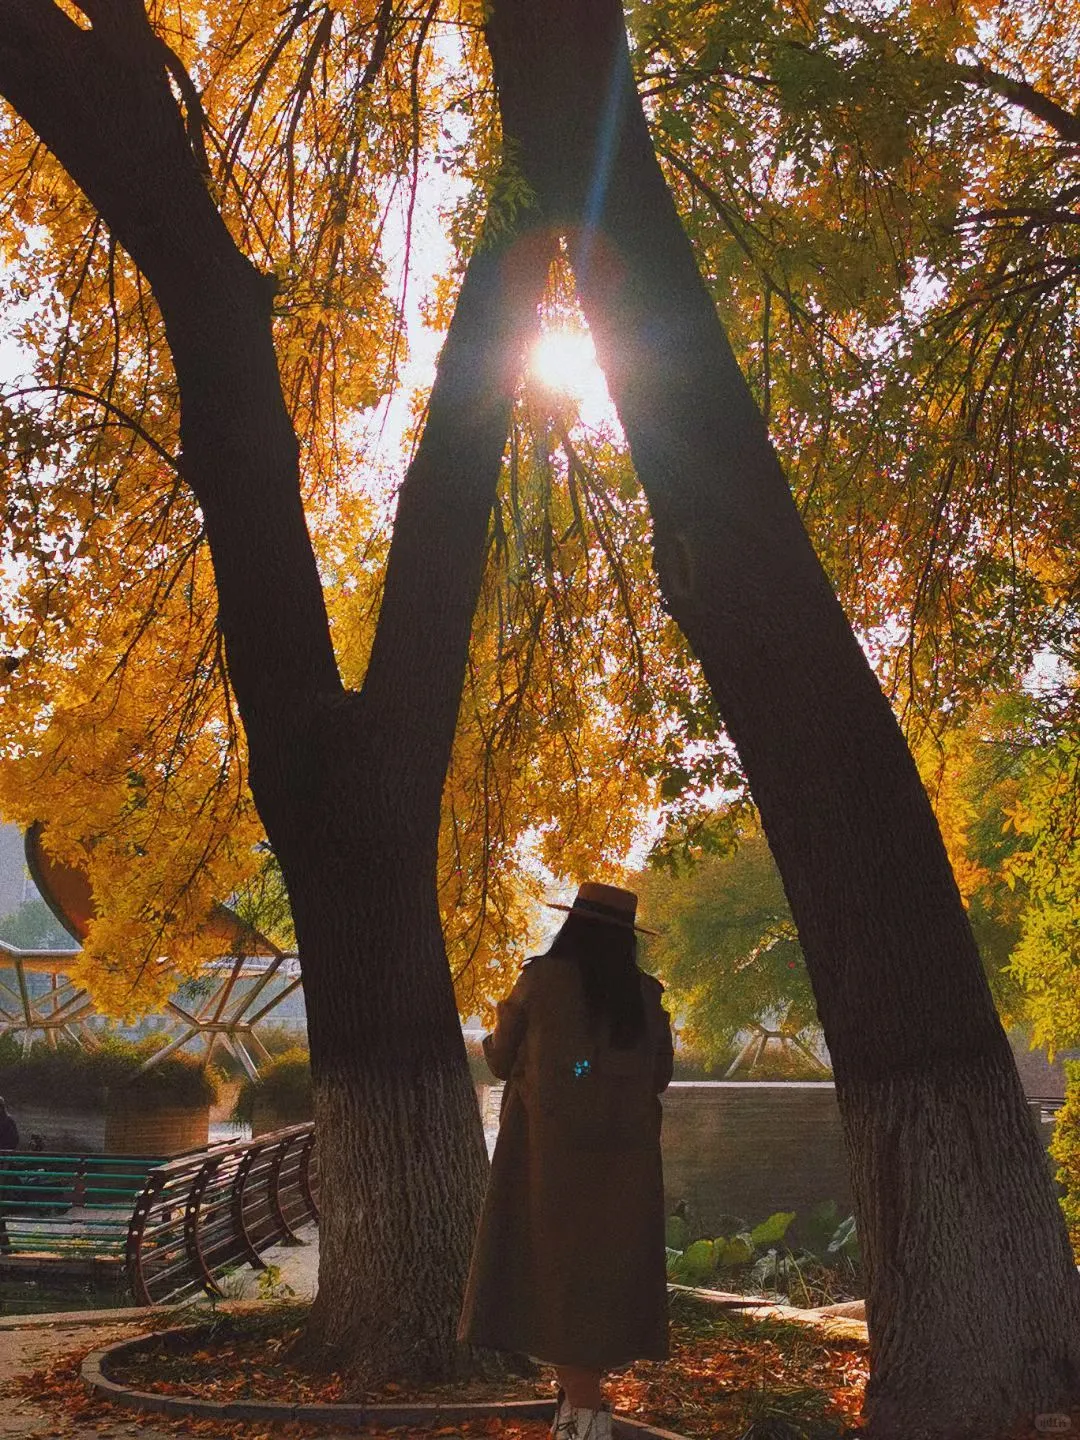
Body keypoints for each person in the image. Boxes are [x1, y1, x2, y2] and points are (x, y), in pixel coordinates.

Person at [458, 882, 674, 1440]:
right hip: (622, 1169)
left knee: (550, 1279)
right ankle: (576, 1416)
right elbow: (660, 1077)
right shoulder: (644, 996)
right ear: (627, 940)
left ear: (571, 926)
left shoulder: (539, 983)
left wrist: (545, 1059)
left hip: (544, 1163)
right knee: (599, 1281)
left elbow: (502, 1060)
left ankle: (584, 1421)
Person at [0, 1096, 18, 1256]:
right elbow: (14, 1142)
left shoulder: (7, 1122)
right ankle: (5, 1245)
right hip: (4, 1168)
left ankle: (5, 1245)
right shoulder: (8, 1121)